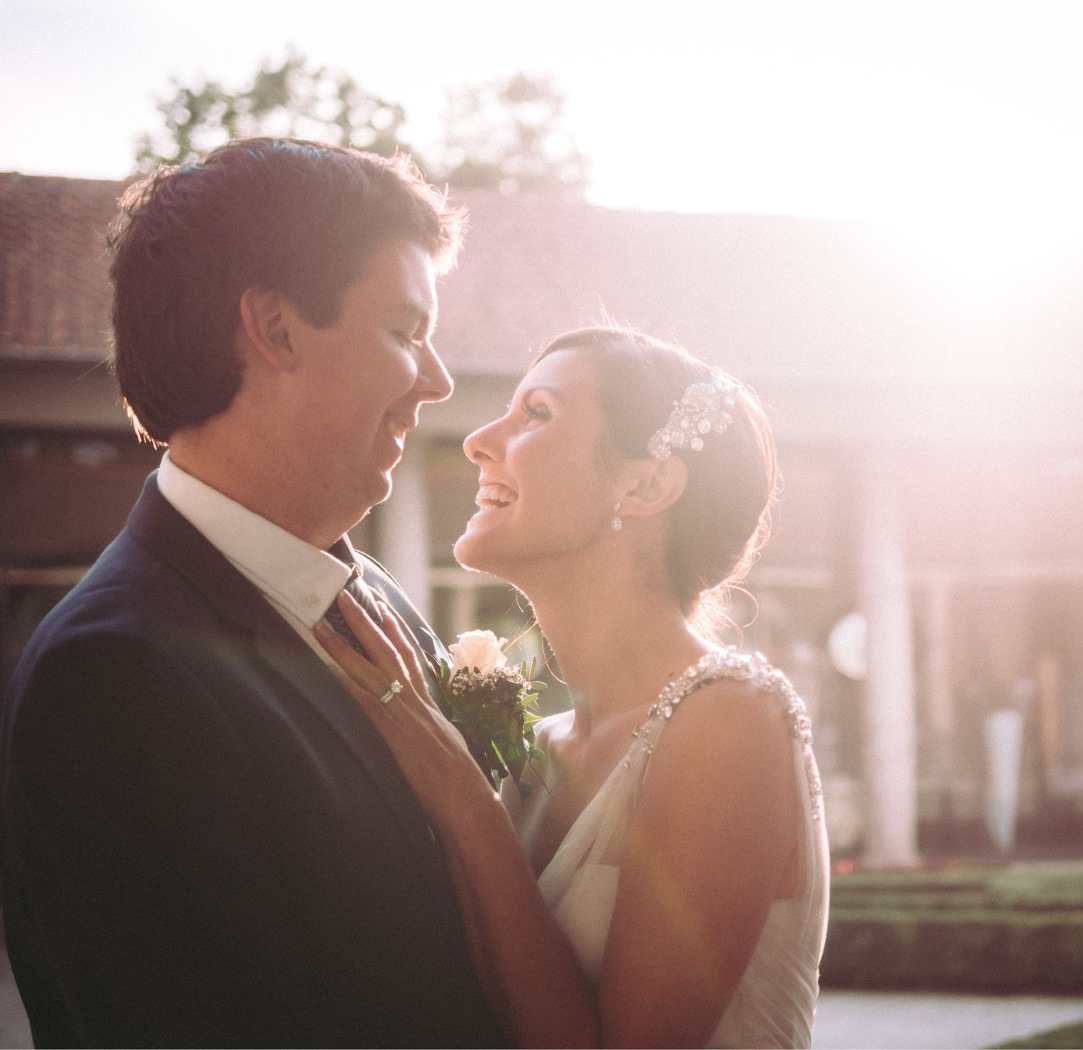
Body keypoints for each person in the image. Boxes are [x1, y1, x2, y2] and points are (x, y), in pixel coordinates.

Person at [0, 139, 508, 1047]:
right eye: (403, 331)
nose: (434, 381)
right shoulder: (113, 677)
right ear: (273, 328)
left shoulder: (373, 598)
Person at [319, 326, 830, 1048]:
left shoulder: (730, 721)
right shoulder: (540, 751)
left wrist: (457, 792)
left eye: (536, 414)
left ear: (647, 484)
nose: (478, 441)